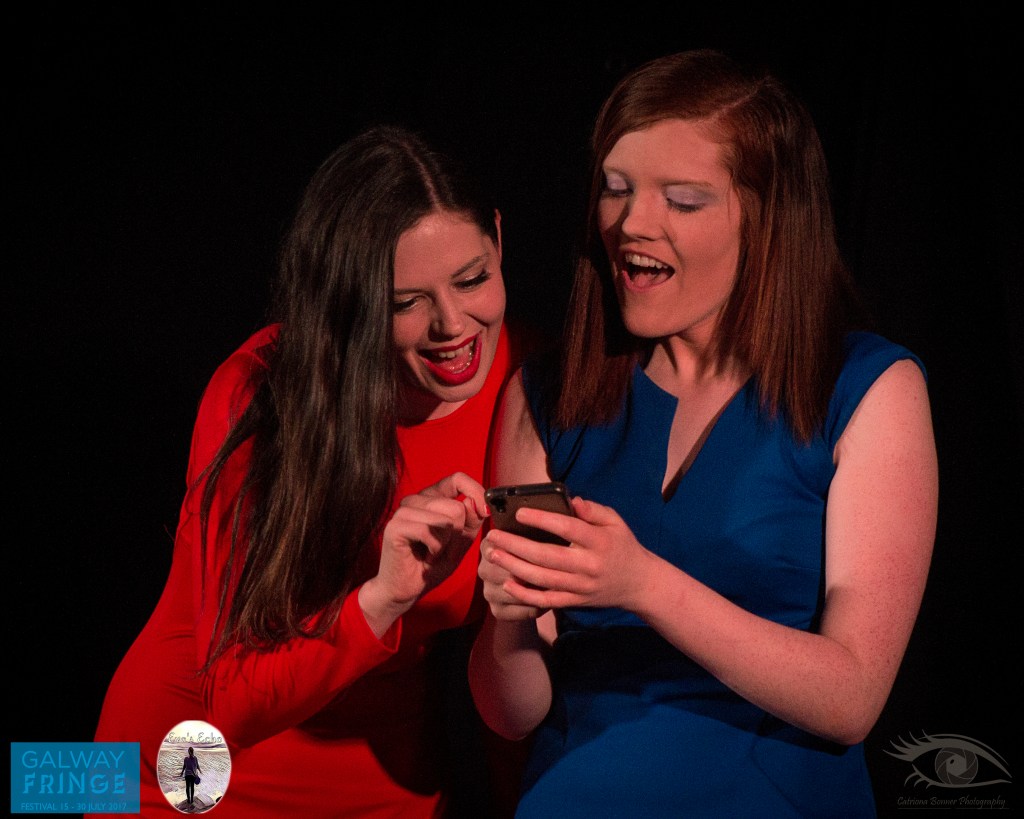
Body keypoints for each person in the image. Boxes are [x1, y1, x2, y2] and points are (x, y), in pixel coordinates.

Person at [468, 49, 938, 818]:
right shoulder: (546, 395)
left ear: (767, 218)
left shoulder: (868, 388)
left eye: (682, 199)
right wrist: (513, 611)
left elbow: (853, 696)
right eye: (615, 190)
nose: (632, 223)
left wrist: (643, 584)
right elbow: (510, 711)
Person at [91, 124, 532, 817]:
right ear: (351, 298)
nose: (454, 324)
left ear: (500, 239)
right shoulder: (258, 385)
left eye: (473, 278)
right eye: (405, 302)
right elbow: (227, 701)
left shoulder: (534, 378)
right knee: (32, 783)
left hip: (385, 780)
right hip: (168, 765)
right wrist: (381, 597)